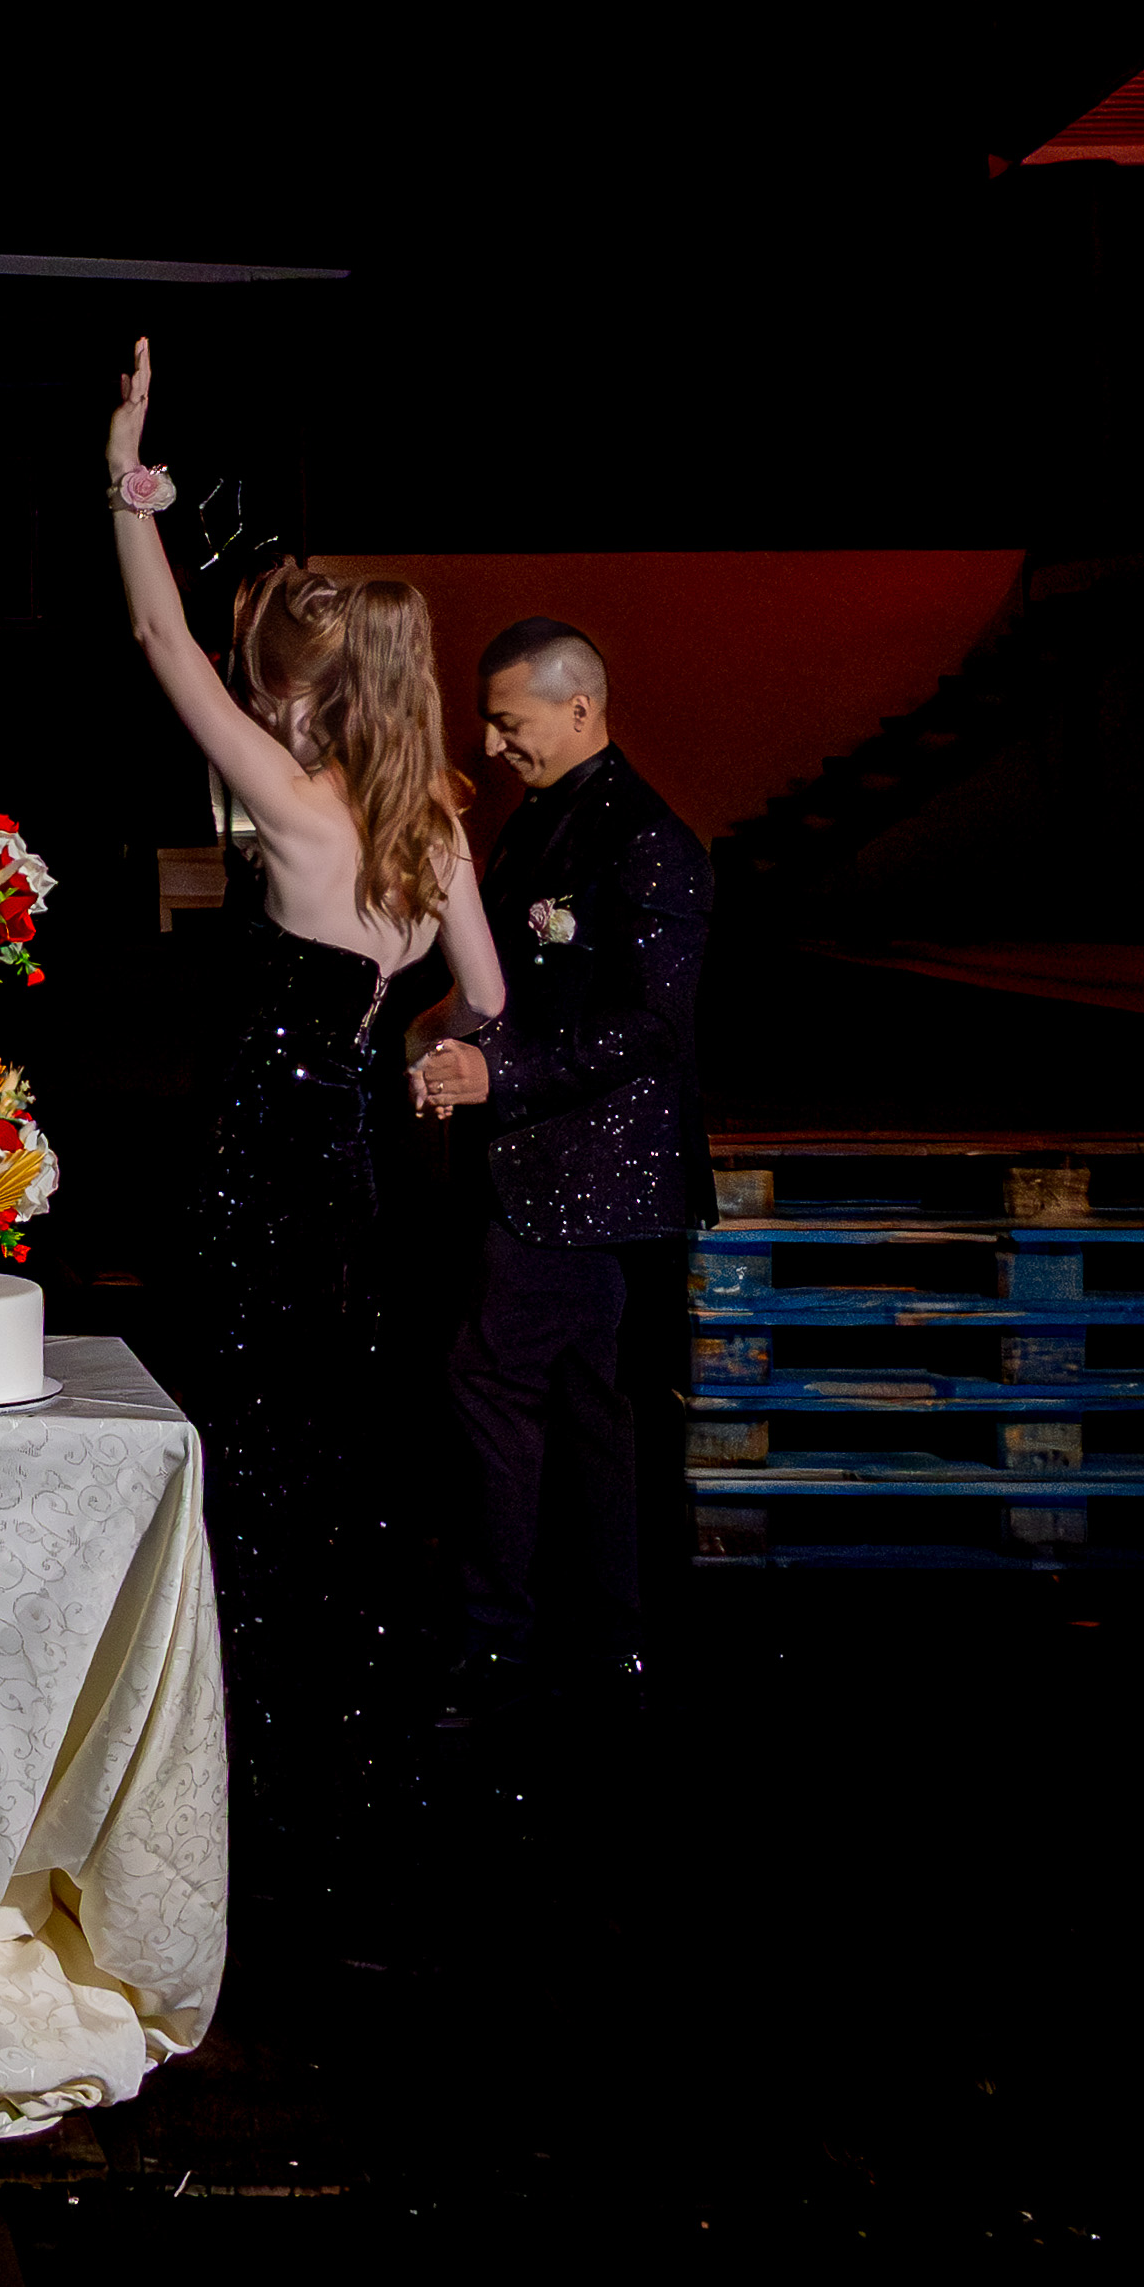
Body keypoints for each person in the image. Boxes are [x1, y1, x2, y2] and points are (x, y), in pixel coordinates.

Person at [98, 340, 503, 1904]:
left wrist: (127, 477)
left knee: (246, 1438)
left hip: (261, 1155)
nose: (257, 691)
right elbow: (485, 999)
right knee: (337, 1435)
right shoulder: (435, 826)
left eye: (273, 677)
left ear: (312, 693)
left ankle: (237, 1740)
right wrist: (414, 1049)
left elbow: (157, 633)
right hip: (361, 1156)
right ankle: (336, 1726)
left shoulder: (291, 799)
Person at [406, 614, 708, 1725]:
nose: (490, 745)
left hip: (590, 1184)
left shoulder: (648, 841)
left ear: (579, 708)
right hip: (539, 1174)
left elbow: (652, 1026)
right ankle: (604, 1638)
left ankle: (495, 1642)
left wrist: (501, 1073)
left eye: (506, 722)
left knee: (493, 1389)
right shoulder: (540, 821)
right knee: (584, 1413)